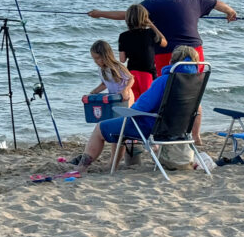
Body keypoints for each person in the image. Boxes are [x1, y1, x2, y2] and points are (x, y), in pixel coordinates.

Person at [89, 0, 237, 144]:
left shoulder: (154, 3)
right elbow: (216, 3)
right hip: (195, 53)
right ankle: (195, 136)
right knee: (191, 94)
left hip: (169, 54)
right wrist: (231, 12)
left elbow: (128, 15)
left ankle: (162, 132)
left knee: (166, 96)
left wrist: (99, 13)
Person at [74, 45, 199, 174]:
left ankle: (81, 168)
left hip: (152, 127)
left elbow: (142, 106)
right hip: (179, 128)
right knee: (116, 126)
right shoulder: (195, 84)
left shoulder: (164, 81)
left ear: (172, 61)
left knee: (100, 128)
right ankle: (112, 163)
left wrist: (130, 111)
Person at [117, 4, 166, 100]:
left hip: (131, 74)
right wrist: (151, 25)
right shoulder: (150, 33)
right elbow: (164, 42)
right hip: (148, 73)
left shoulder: (123, 36)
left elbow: (122, 59)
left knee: (135, 102)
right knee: (149, 100)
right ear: (145, 18)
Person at [87, 40, 134, 105]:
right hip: (115, 98)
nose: (95, 61)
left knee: (125, 114)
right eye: (93, 58)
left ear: (105, 56)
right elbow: (104, 84)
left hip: (126, 97)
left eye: (97, 58)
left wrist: (125, 90)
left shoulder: (117, 67)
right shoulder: (101, 69)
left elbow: (131, 79)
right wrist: (93, 92)